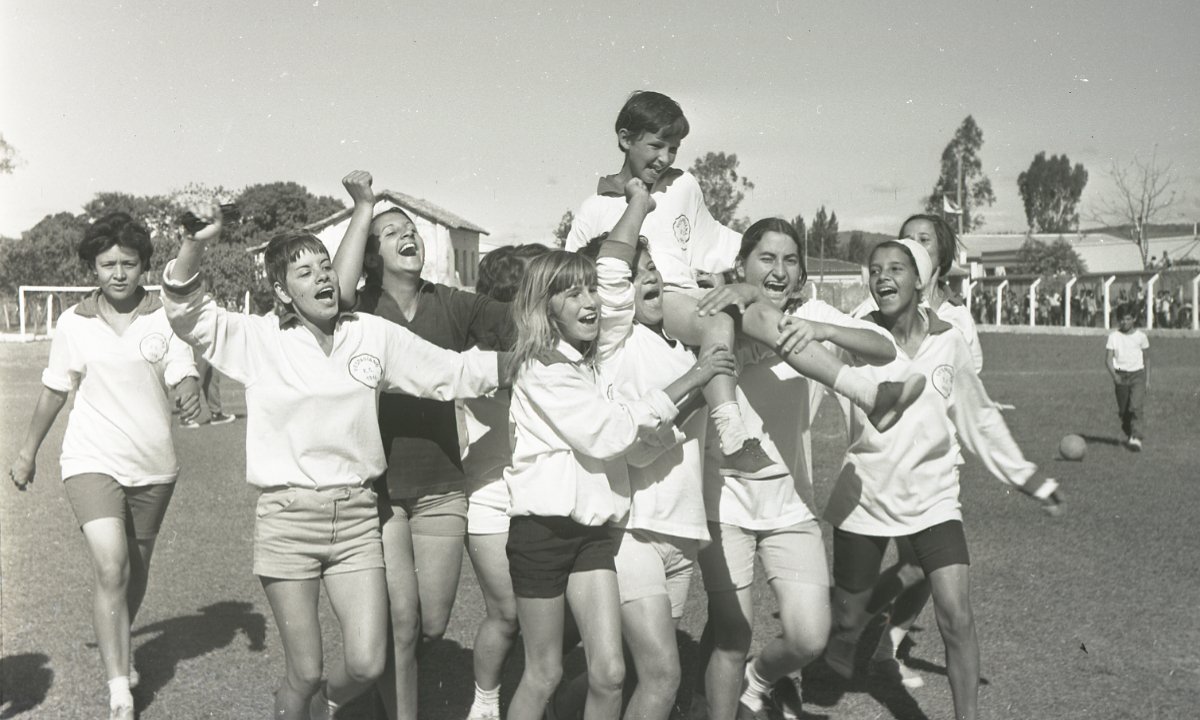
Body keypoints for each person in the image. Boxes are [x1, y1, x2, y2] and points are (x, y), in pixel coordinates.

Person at [161, 203, 504, 720]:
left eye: (326, 267)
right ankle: (296, 703)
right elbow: (187, 312)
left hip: (358, 519)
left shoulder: (370, 333)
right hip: (288, 521)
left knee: (367, 663)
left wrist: (524, 360)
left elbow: (449, 373)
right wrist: (194, 245)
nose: (322, 277)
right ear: (281, 292)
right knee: (305, 670)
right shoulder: (259, 340)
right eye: (305, 272)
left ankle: (320, 709)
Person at [566, 91, 924, 479]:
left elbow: (716, 239)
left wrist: (772, 270)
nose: (666, 158)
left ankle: (868, 395)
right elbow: (575, 276)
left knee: (765, 316)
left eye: (675, 148)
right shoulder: (595, 208)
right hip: (644, 308)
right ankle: (733, 436)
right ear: (624, 139)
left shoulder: (683, 186)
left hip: (688, 300)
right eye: (657, 146)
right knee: (718, 319)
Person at [823, 239, 1064, 720]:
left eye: (896, 268)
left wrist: (1027, 477)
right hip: (866, 494)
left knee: (957, 615)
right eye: (874, 269)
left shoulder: (949, 340)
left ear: (922, 280)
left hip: (934, 496)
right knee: (847, 617)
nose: (883, 277)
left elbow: (979, 417)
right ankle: (846, 635)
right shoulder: (850, 338)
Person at [502, 249, 736, 720]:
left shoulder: (587, 365)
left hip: (591, 536)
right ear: (545, 307)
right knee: (544, 673)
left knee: (610, 674)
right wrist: (697, 375)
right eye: (572, 293)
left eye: (591, 289)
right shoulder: (540, 368)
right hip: (541, 535)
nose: (590, 301)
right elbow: (609, 432)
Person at [690, 217, 897, 720]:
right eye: (766, 259)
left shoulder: (814, 312)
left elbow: (884, 347)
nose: (779, 271)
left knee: (808, 636)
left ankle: (756, 684)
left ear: (803, 272)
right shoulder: (722, 311)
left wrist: (822, 329)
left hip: (790, 505)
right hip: (727, 502)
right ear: (741, 266)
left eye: (790, 260)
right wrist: (738, 300)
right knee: (731, 635)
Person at [329, 171, 516, 720]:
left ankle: (367, 690)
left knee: (431, 624)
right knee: (404, 623)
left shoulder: (453, 306)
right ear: (369, 253)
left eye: (409, 228)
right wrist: (364, 206)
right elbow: (335, 291)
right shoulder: (356, 311)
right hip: (378, 491)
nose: (406, 235)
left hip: (440, 488)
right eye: (390, 233)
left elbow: (512, 321)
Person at [7, 211, 201, 720]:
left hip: (154, 463)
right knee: (111, 564)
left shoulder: (166, 317)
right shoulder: (74, 323)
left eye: (129, 263)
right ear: (92, 268)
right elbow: (54, 389)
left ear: (144, 267)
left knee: (134, 571)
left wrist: (188, 389)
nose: (118, 273)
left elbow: (181, 368)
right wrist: (27, 452)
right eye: (107, 263)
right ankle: (120, 690)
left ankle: (118, 640)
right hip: (90, 459)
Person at [835, 213, 984, 688]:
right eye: (905, 241)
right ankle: (858, 634)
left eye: (922, 242)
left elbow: (966, 389)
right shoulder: (864, 322)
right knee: (898, 576)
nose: (910, 248)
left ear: (935, 259)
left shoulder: (956, 322)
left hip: (935, 480)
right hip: (878, 479)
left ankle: (882, 643)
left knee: (929, 576)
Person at [458, 244, 549, 720]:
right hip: (491, 495)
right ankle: (487, 703)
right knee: (509, 614)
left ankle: (541, 698)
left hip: (547, 492)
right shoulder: (477, 353)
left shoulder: (556, 346)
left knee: (551, 616)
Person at [1106, 306, 1149, 451]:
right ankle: (1130, 432)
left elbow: (1147, 359)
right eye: (1122, 319)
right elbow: (1108, 360)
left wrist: (1147, 380)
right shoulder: (1113, 337)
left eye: (1128, 319)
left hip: (1138, 375)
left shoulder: (1141, 337)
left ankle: (1136, 438)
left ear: (1134, 319)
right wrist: (1115, 376)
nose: (1125, 322)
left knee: (1135, 407)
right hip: (1121, 376)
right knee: (1124, 412)